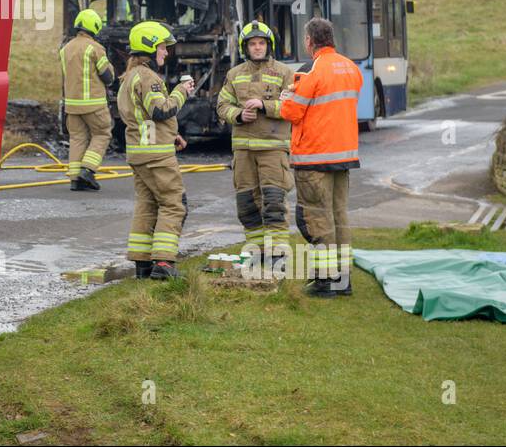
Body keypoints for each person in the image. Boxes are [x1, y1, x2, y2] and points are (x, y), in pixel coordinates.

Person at [278, 17, 363, 297]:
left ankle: (325, 281)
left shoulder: (311, 71)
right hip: (344, 156)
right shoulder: (351, 68)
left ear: (308, 41)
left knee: (318, 218)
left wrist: (283, 99)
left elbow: (292, 113)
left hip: (314, 157)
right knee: (340, 217)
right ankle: (343, 280)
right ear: (332, 39)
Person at [117, 20, 196, 279]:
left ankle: (142, 265)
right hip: (156, 157)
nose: (166, 52)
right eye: (163, 47)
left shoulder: (129, 76)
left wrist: (170, 135)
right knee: (174, 204)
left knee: (147, 205)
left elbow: (144, 119)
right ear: (150, 48)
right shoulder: (149, 77)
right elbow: (160, 110)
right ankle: (163, 264)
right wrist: (181, 92)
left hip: (140, 151)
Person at [215, 21, 295, 271]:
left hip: (273, 149)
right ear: (245, 47)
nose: (257, 47)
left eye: (261, 43)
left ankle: (278, 257)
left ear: (268, 46)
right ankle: (256, 254)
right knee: (247, 205)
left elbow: (294, 108)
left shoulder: (284, 73)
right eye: (252, 43)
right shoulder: (234, 74)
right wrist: (238, 115)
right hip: (243, 152)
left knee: (273, 203)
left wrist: (265, 106)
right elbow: (221, 106)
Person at [59, 8, 115, 191]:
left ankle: (75, 179)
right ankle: (88, 170)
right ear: (95, 26)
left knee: (77, 139)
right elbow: (107, 76)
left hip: (71, 105)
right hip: (94, 105)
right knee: (102, 133)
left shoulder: (65, 49)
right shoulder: (95, 48)